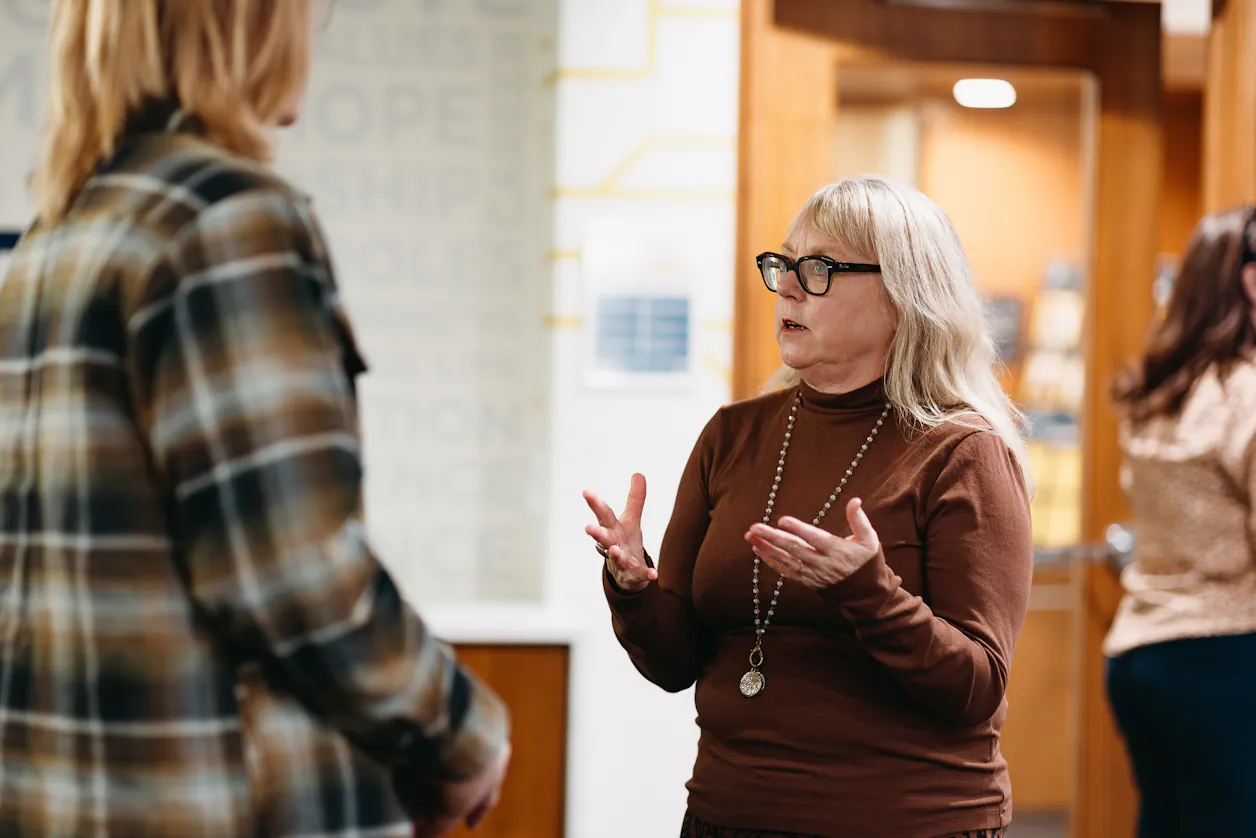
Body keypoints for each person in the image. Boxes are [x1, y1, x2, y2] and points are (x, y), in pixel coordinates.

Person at [0, 1, 509, 836]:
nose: (312, 33)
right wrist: (461, 735)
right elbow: (297, 576)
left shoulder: (54, 241)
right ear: (246, 19)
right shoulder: (224, 217)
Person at [583, 176, 1035, 838]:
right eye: (782, 265)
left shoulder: (963, 452)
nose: (787, 287)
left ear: (904, 295)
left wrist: (870, 595)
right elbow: (675, 663)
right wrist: (633, 588)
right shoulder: (732, 436)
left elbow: (975, 687)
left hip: (910, 824)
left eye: (819, 268)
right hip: (726, 817)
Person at [1106, 206, 1256, 837]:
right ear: (1249, 280)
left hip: (1142, 653)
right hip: (1225, 655)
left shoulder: (1161, 391)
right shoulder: (1245, 391)